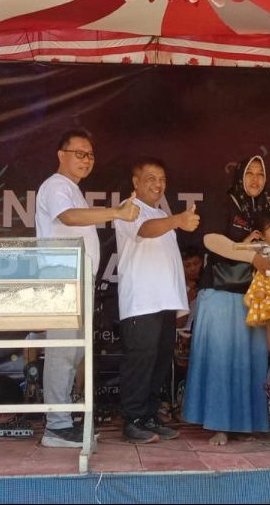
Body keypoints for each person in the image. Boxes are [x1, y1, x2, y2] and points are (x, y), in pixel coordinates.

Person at [35, 128, 139, 448]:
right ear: (61, 155)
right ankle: (56, 426)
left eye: (90, 155)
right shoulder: (56, 185)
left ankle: (63, 420)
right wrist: (116, 212)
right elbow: (68, 217)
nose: (86, 160)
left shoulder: (72, 189)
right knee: (63, 351)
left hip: (76, 276)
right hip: (62, 275)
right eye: (79, 153)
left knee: (73, 352)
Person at [183, 156, 270, 446]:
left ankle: (246, 423)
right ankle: (219, 424)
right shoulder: (222, 202)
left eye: (261, 174)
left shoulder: (263, 209)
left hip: (253, 296)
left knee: (251, 362)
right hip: (221, 293)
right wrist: (252, 257)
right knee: (221, 360)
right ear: (239, 176)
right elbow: (211, 241)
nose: (255, 179)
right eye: (250, 173)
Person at [114, 157, 200, 443]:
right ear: (135, 182)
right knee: (140, 362)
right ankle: (133, 420)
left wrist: (179, 304)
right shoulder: (129, 208)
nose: (158, 184)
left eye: (162, 179)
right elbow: (144, 230)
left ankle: (150, 416)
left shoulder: (159, 212)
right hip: (141, 301)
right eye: (151, 178)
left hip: (163, 303)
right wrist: (178, 220)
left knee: (160, 362)